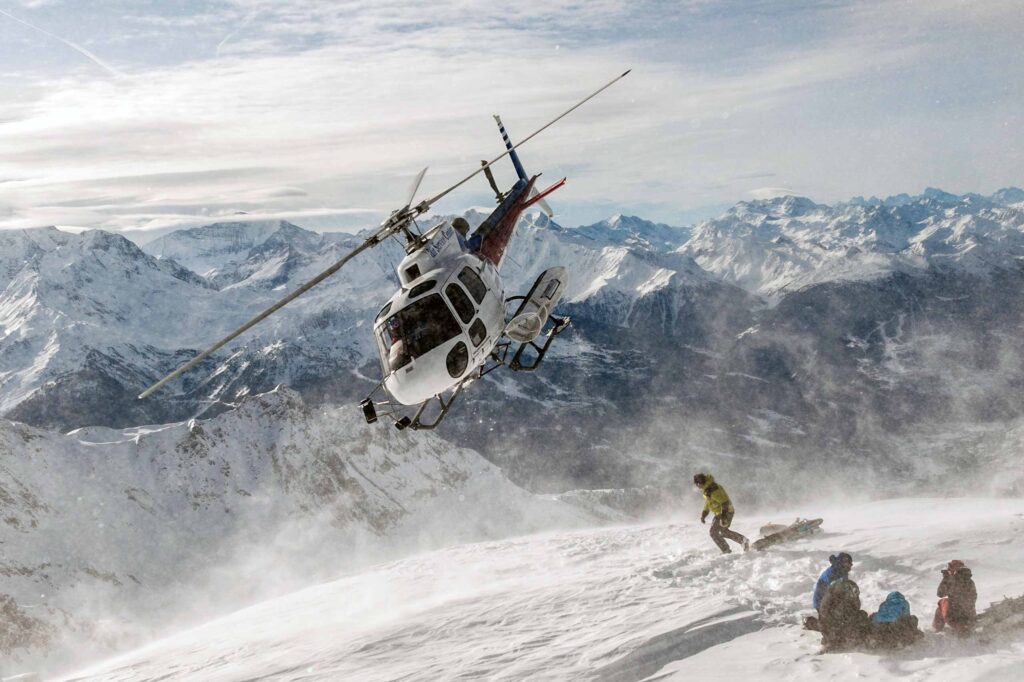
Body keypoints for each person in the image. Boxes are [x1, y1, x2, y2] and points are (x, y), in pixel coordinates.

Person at [693, 473, 749, 554]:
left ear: (700, 483)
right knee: (722, 532)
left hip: (725, 511)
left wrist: (723, 517)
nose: (697, 486)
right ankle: (742, 541)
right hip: (720, 512)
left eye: (697, 484)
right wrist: (704, 514)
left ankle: (728, 549)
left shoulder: (713, 489)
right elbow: (708, 503)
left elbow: (725, 502)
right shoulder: (707, 489)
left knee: (714, 532)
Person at [818, 574, 872, 651]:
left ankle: (834, 641)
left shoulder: (834, 597)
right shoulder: (836, 600)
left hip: (831, 626)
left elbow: (854, 610)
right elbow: (846, 616)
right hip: (833, 626)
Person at [933, 560, 977, 635]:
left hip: (954, 617)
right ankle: (964, 627)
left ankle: (937, 629)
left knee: (942, 602)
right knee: (946, 601)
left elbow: (940, 593)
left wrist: (946, 578)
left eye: (950, 566)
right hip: (970, 617)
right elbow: (971, 599)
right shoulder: (969, 581)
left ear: (956, 568)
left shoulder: (953, 580)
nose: (948, 569)